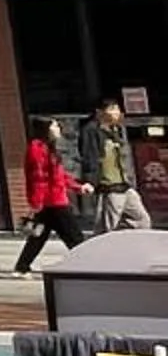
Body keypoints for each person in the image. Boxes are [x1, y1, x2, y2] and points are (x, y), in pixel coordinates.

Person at [15, 118, 86, 274]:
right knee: (74, 236)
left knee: (38, 237)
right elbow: (38, 178)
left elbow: (59, 175)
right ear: (45, 129)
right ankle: (86, 263)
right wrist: (37, 203)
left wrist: (77, 187)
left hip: (53, 200)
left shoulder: (49, 148)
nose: (58, 128)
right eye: (54, 125)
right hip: (53, 202)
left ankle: (21, 267)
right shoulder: (37, 148)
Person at [82, 100, 154, 234]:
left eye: (117, 109)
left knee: (142, 221)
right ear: (100, 112)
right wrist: (91, 181)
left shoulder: (117, 129)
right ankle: (101, 250)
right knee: (106, 228)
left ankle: (124, 244)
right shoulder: (92, 130)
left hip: (125, 185)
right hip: (110, 186)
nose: (116, 113)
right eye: (112, 109)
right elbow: (90, 156)